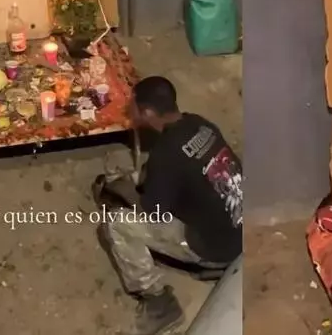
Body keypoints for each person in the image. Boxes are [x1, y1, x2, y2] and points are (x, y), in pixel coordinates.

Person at [99, 75, 243, 335]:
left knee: (117, 223)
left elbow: (152, 213)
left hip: (217, 248)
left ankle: (158, 303)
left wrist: (122, 190)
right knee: (146, 176)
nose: (129, 111)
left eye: (133, 106)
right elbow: (173, 167)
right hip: (239, 223)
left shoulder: (165, 154)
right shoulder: (199, 123)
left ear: (147, 113)